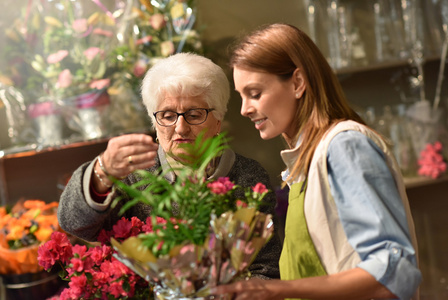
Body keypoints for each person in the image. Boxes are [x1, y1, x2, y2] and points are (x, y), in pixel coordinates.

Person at [212, 23, 422, 299]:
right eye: (241, 96)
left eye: (255, 93)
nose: (245, 109)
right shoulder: (304, 162)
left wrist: (277, 290)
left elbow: (395, 270)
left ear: (298, 83)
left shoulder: (344, 146)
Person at [57, 52, 282, 280]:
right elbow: (75, 224)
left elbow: (265, 269)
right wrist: (101, 172)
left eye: (194, 114)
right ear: (155, 123)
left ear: (218, 121)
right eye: (167, 115)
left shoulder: (247, 176)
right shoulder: (134, 173)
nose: (180, 128)